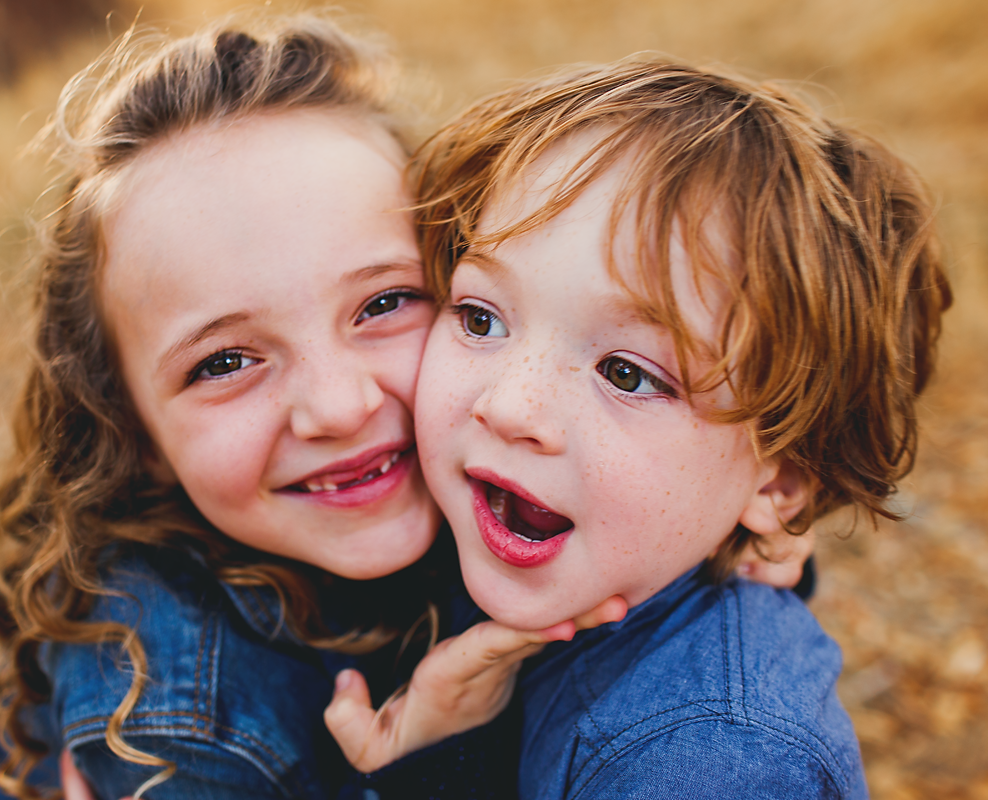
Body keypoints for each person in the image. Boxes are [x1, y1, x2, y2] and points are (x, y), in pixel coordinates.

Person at [0, 21, 813, 800]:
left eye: (385, 304)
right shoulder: (174, 721)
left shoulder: (485, 463)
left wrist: (728, 520)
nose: (339, 408)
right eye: (224, 361)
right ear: (134, 437)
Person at [407, 57, 950, 798]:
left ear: (779, 478)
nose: (509, 406)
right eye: (480, 318)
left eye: (627, 373)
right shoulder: (574, 534)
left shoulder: (711, 763)